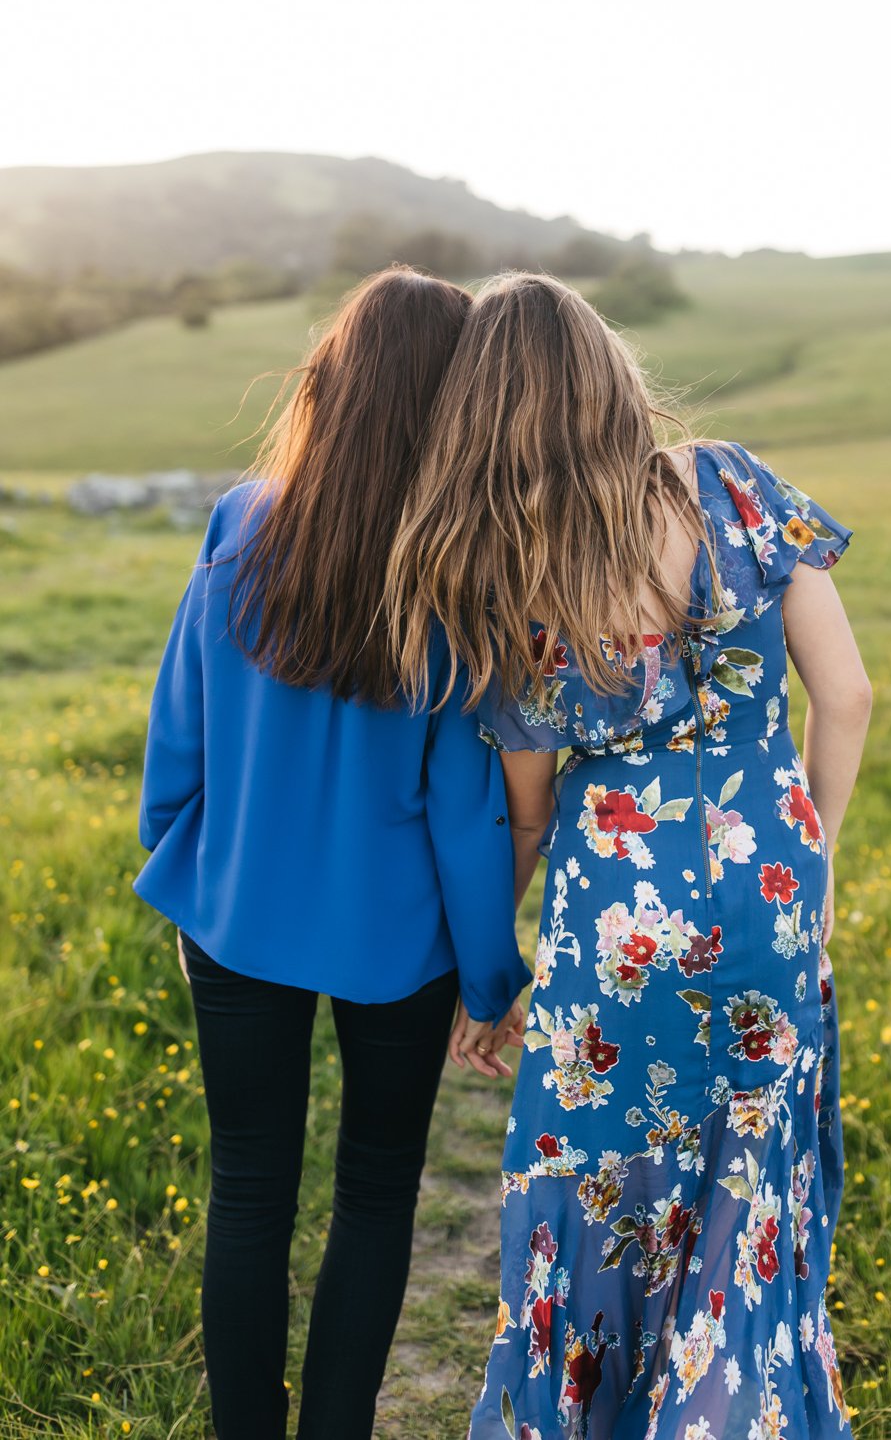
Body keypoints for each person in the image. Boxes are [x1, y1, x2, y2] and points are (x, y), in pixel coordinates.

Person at [389, 272, 872, 1438]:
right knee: (748, 1193)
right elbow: (846, 697)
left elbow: (532, 812)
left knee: (601, 1197)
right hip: (765, 900)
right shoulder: (735, 489)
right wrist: (804, 856)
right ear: (613, 379)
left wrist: (487, 980)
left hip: (611, 931)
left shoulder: (504, 576)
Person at [133, 267, 530, 1440]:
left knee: (248, 1190)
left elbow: (180, 722)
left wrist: (186, 865)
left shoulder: (240, 520)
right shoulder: (462, 573)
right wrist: (488, 977)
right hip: (396, 940)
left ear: (334, 379)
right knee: (373, 1192)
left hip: (237, 906)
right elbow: (467, 811)